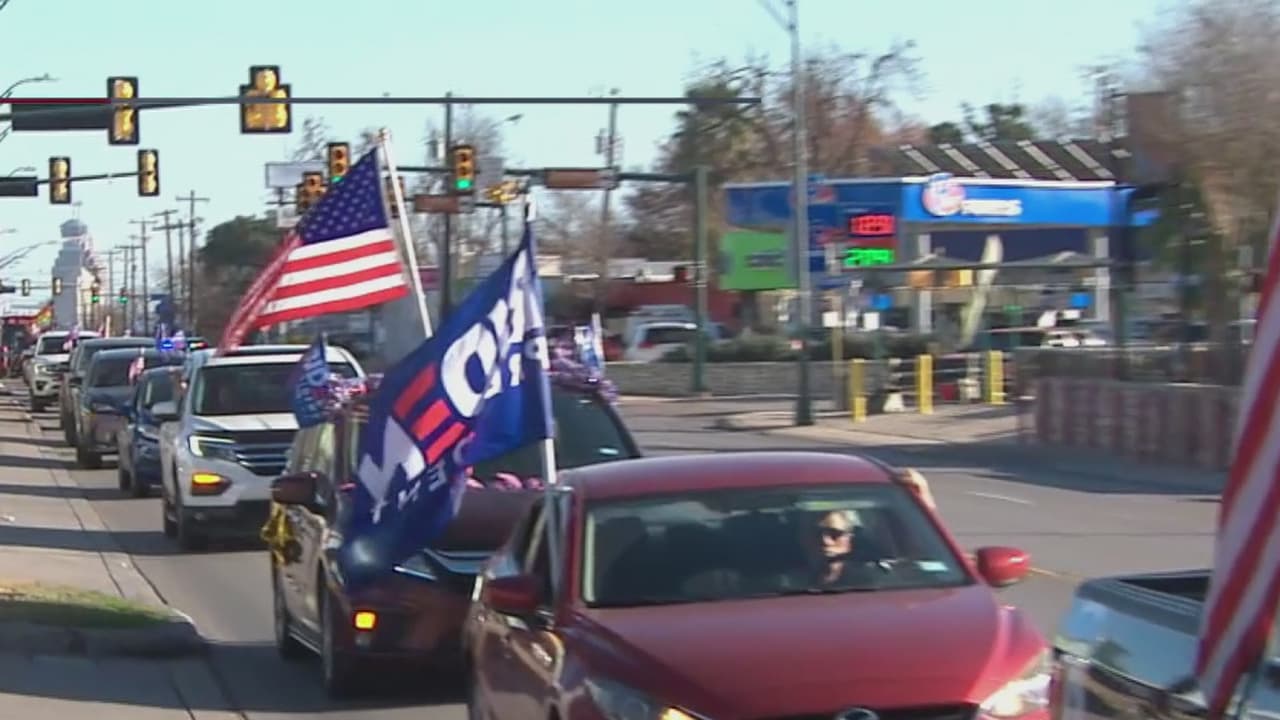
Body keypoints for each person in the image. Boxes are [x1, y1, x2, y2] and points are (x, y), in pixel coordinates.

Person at [795, 509, 881, 589]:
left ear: (850, 538)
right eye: (817, 533)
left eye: (834, 533)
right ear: (803, 539)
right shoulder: (789, 584)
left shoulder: (876, 584)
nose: (826, 541)